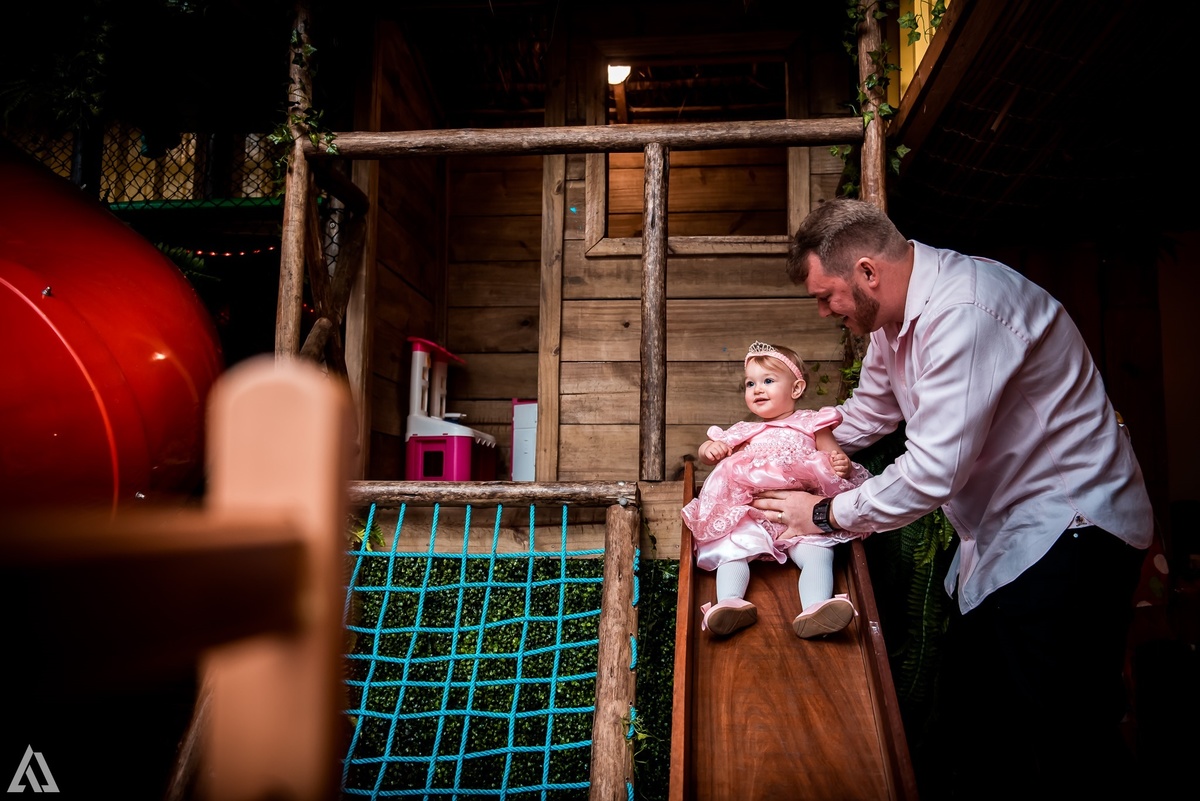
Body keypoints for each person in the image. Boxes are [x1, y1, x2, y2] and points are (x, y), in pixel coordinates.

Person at [750, 198, 1154, 799]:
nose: (822, 310)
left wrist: (823, 512)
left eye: (825, 294)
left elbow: (933, 472)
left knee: (1071, 743)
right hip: (1006, 541)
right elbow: (871, 413)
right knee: (972, 730)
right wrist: (778, 449)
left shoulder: (965, 310)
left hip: (1071, 532)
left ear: (867, 272)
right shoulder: (894, 319)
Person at [681, 340, 872, 639]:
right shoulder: (745, 431)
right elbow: (707, 451)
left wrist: (840, 464)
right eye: (750, 383)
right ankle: (730, 602)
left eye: (768, 381)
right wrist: (711, 449)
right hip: (753, 512)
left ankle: (817, 607)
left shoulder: (812, 424)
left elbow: (836, 458)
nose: (757, 389)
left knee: (818, 553)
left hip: (801, 514)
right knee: (733, 550)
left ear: (796, 389)